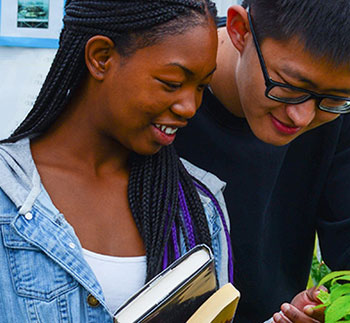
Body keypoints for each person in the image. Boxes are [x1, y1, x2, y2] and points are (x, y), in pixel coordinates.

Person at [173, 0, 350, 321]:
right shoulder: (159, 83)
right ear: (240, 30)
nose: (302, 116)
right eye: (289, 86)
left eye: (335, 99)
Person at [0, 0, 232, 321]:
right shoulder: (9, 197)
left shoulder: (198, 206)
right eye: (172, 83)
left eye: (202, 86)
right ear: (102, 58)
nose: (190, 107)